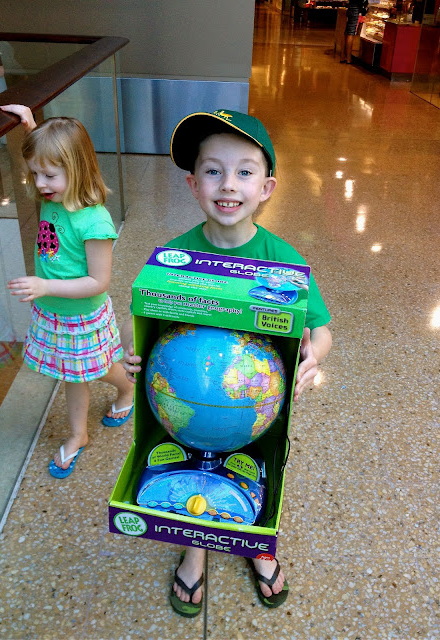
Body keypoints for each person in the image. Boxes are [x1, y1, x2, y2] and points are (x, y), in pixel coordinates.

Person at [120, 108, 333, 617]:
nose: (228, 184)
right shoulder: (174, 257)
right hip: (186, 397)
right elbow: (142, 320)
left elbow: (320, 329)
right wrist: (133, 352)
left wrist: (314, 358)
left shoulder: (283, 260)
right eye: (213, 171)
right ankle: (194, 549)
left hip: (253, 401)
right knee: (191, 464)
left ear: (267, 187)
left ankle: (256, 542)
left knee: (261, 467)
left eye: (244, 172)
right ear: (193, 184)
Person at [1, 104, 134, 479]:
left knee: (89, 371)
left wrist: (45, 285)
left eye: (49, 175)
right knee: (79, 372)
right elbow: (34, 162)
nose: (40, 183)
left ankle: (106, 409)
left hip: (82, 315)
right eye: (35, 173)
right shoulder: (52, 197)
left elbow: (98, 281)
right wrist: (30, 125)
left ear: (76, 169)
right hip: (53, 310)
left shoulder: (94, 220)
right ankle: (90, 424)